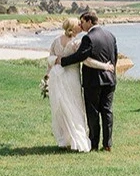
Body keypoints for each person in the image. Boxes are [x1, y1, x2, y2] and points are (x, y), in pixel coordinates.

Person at [46, 18, 113, 151]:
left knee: (62, 108)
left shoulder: (56, 41)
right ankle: (77, 140)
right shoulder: (76, 43)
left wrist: (48, 77)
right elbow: (86, 60)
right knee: (75, 107)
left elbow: (50, 60)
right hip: (71, 79)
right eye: (78, 23)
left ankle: (65, 139)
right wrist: (104, 66)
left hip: (57, 78)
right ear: (73, 27)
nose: (80, 25)